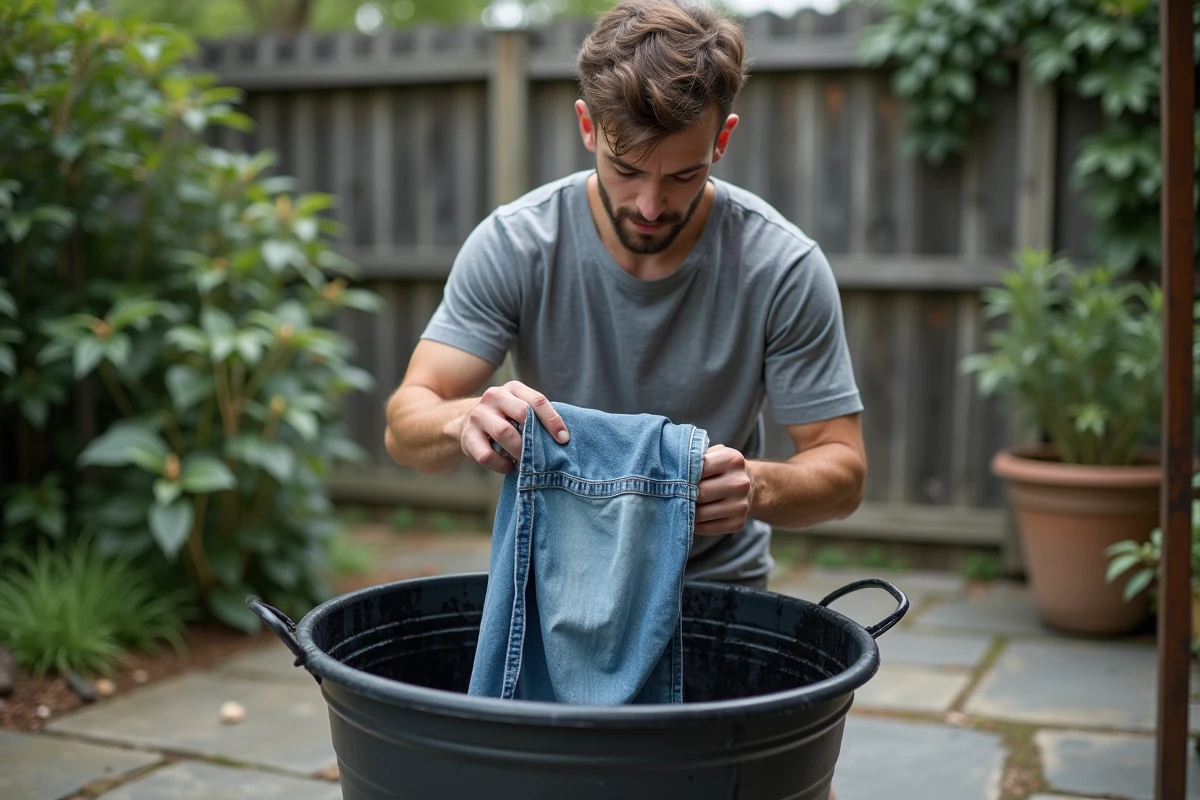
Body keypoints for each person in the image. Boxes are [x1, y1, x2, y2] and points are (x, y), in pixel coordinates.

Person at [384, 0, 865, 598]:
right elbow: (405, 425)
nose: (649, 205)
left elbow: (842, 470)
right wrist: (463, 420)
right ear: (588, 127)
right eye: (627, 168)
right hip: (551, 578)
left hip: (714, 587)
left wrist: (757, 487)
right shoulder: (516, 244)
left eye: (683, 175)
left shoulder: (782, 266)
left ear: (723, 140)